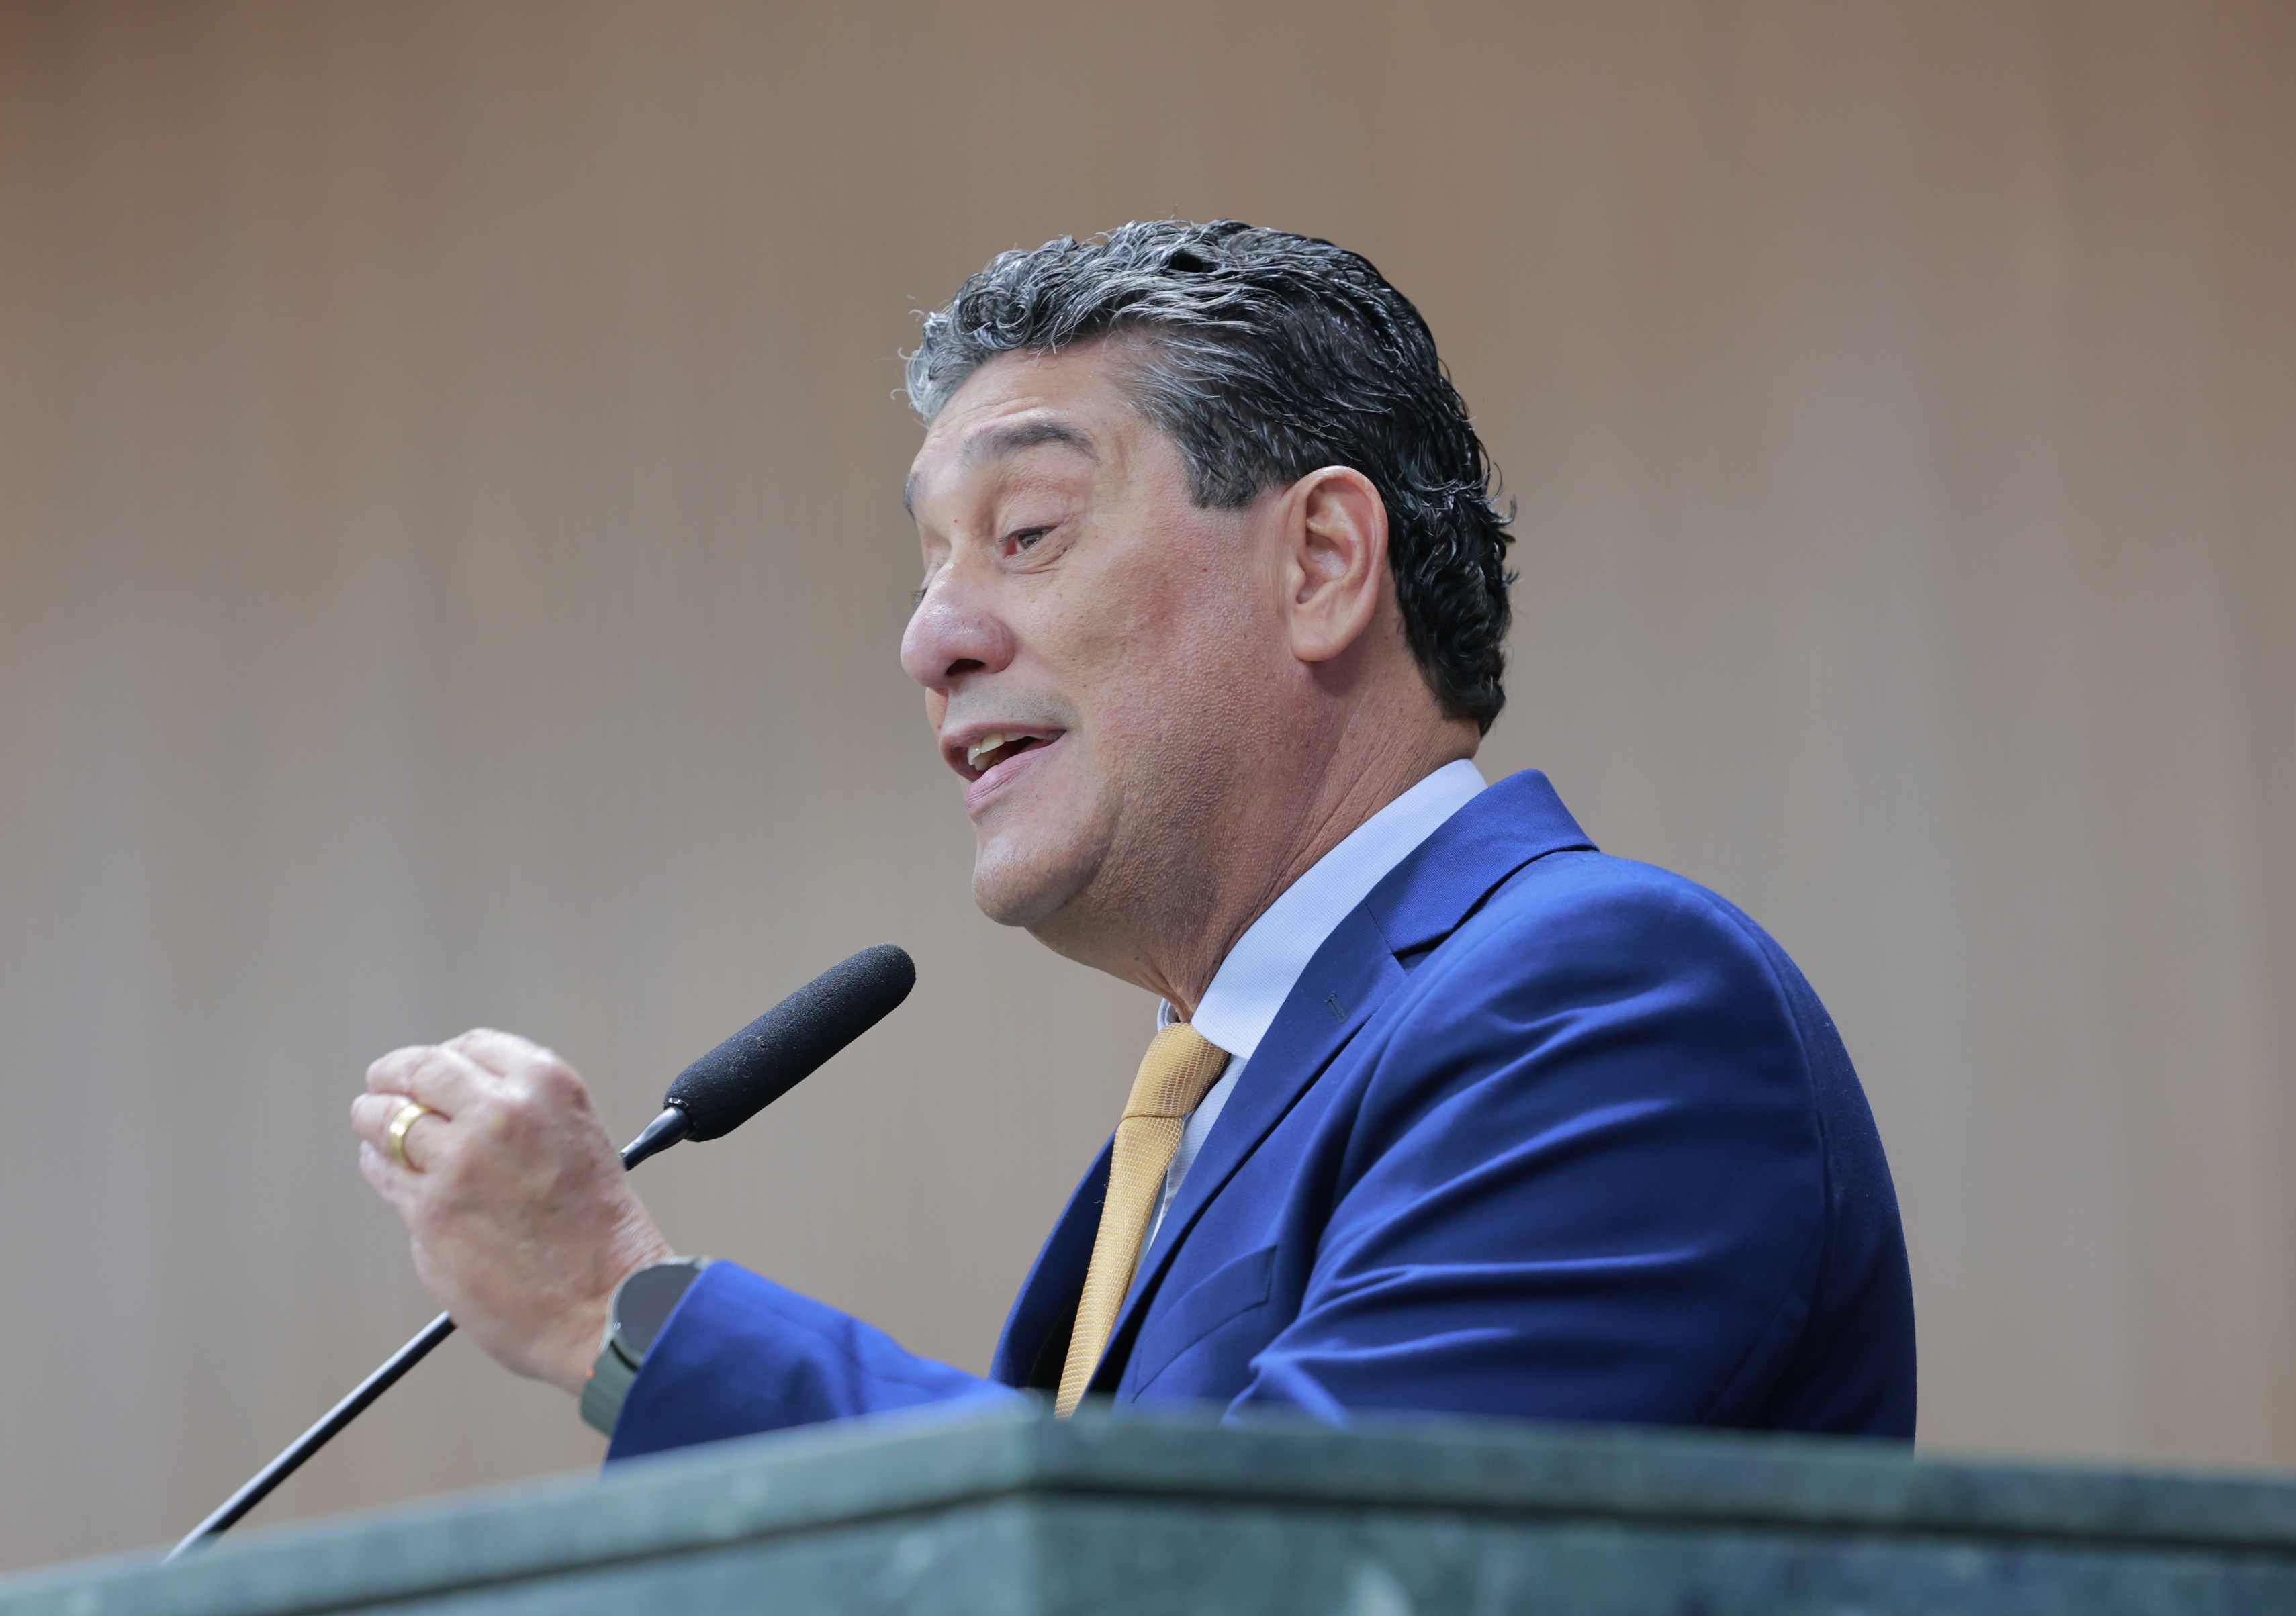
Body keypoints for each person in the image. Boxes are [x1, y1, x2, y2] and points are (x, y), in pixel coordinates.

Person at [350, 220, 1918, 1458]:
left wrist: (628, 1314)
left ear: (1321, 561)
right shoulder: (1199, 1116)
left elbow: (1256, 1600)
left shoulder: (1606, 1002)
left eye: (1026, 532)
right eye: (926, 567)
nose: (930, 639)